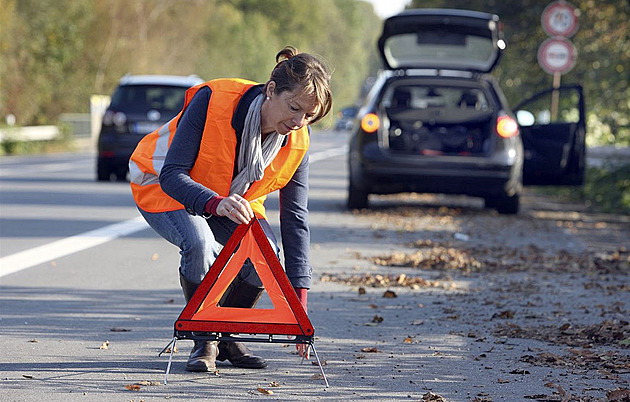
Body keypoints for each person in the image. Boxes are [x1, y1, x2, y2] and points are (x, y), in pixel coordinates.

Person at [128, 46, 332, 372]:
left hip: (231, 201)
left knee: (266, 255)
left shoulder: (298, 141)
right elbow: (172, 175)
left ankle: (226, 334)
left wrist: (299, 299)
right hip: (165, 188)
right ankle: (204, 340)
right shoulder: (213, 100)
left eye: (309, 116)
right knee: (199, 242)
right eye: (294, 108)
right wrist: (216, 204)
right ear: (271, 90)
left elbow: (295, 216)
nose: (299, 122)